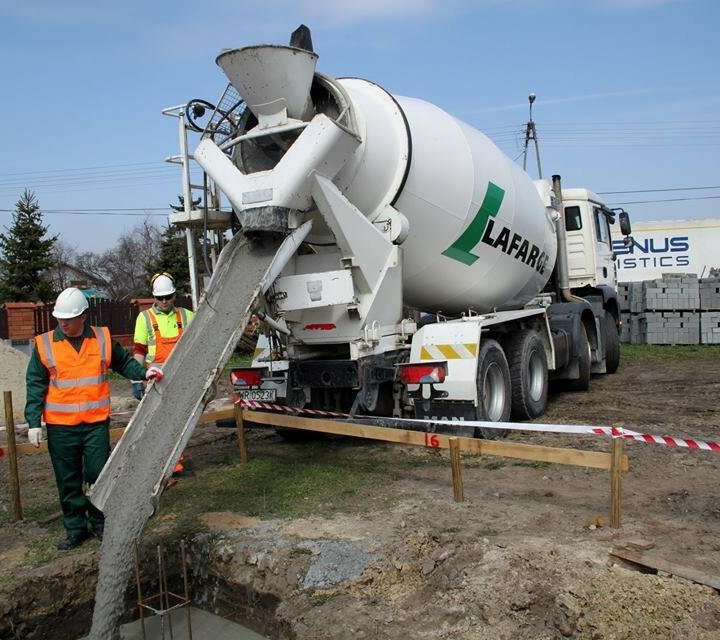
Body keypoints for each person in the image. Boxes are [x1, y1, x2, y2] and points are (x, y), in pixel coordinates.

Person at [25, 287, 162, 551]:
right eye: (60, 318)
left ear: (84, 316)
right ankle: (76, 528)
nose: (63, 323)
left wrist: (144, 373)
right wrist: (33, 422)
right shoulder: (44, 344)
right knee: (68, 479)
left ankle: (99, 522)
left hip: (95, 424)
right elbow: (35, 384)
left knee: (99, 474)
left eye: (69, 318)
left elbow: (123, 363)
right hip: (60, 427)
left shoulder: (102, 338)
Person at [132, 272, 194, 474]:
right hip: (155, 382)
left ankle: (176, 464)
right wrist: (136, 379)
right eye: (160, 298)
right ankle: (158, 465)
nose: (165, 301)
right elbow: (139, 350)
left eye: (168, 297)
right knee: (157, 424)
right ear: (154, 297)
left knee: (179, 422)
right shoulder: (145, 318)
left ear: (174, 295)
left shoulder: (186, 315)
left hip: (181, 379)